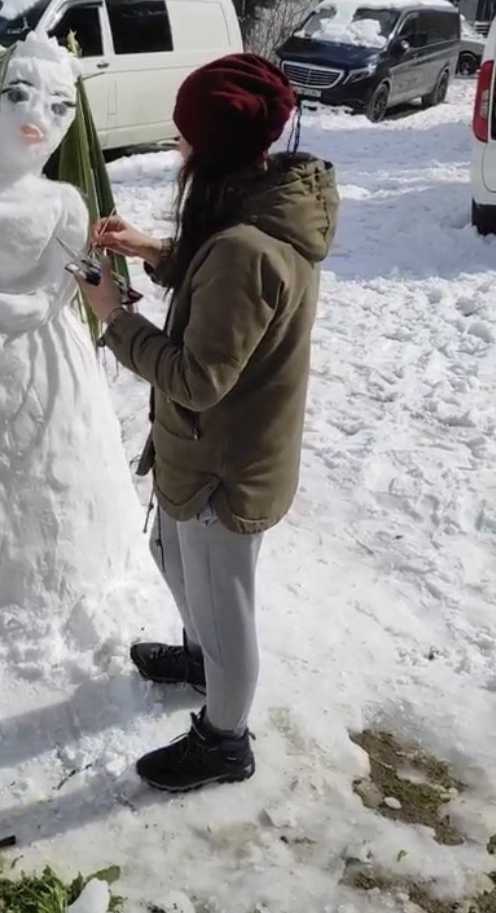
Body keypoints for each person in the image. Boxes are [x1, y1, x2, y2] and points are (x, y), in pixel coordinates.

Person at [74, 52, 340, 794]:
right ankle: (204, 658)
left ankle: (224, 740)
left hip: (225, 465)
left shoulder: (243, 247)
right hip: (203, 454)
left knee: (226, 610)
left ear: (212, 148)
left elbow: (196, 377)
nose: (176, 145)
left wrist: (115, 317)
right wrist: (152, 251)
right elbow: (217, 283)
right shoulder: (253, 208)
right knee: (168, 550)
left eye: (185, 134)